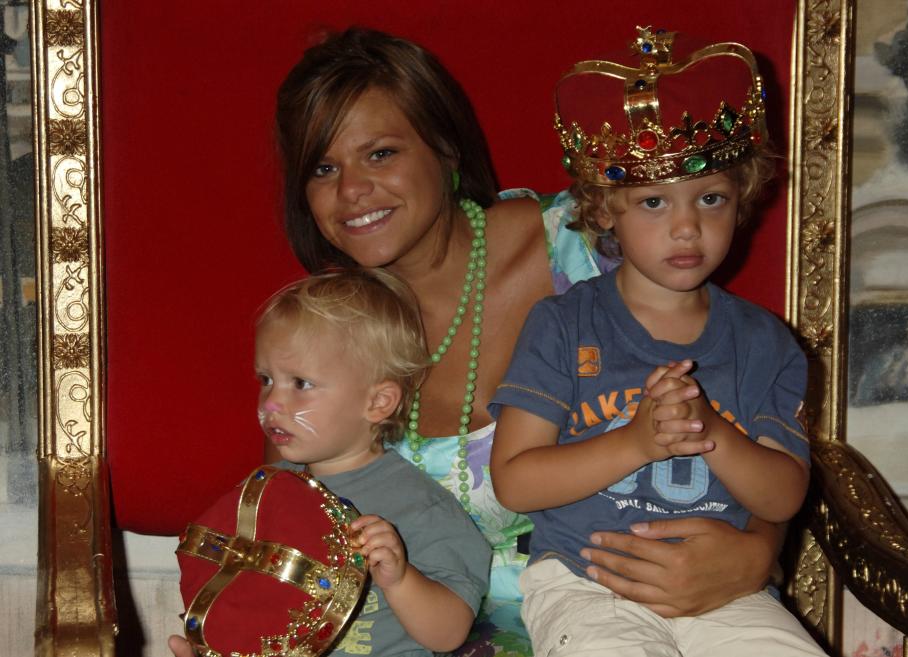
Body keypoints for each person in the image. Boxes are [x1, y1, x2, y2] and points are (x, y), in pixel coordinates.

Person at [173, 25, 789, 657]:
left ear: (444, 149)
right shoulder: (322, 333)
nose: (351, 191)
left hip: (638, 606)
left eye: (380, 153)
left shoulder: (593, 249)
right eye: (323, 168)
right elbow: (286, 524)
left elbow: (742, 397)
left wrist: (757, 552)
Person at [488, 28, 825, 656]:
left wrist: (711, 434)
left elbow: (784, 495)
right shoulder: (562, 325)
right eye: (652, 201)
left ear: (742, 200)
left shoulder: (765, 342)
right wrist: (638, 441)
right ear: (604, 207)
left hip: (728, 591)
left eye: (711, 198)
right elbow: (516, 482)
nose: (687, 226)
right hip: (587, 584)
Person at [173, 269, 491, 657]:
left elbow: (449, 633)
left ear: (377, 403)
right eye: (265, 379)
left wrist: (401, 579)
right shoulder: (266, 495)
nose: (271, 404)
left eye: (301, 384)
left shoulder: (419, 507)